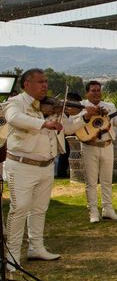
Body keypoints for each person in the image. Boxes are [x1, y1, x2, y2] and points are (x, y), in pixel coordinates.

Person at [3, 69, 93, 270]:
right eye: (40, 82)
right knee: (19, 209)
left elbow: (67, 128)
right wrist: (44, 122)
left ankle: (36, 247)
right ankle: (12, 255)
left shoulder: (52, 108)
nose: (45, 85)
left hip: (45, 166)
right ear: (27, 84)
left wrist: (84, 118)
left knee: (39, 209)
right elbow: (14, 118)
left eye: (46, 82)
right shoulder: (16, 102)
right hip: (21, 165)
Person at [80, 80, 117, 222]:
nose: (96, 93)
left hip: (107, 146)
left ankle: (108, 209)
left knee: (107, 181)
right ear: (87, 92)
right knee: (91, 181)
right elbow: (77, 124)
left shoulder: (109, 106)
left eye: (98, 90)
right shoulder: (81, 107)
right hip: (90, 146)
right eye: (93, 90)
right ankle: (93, 212)